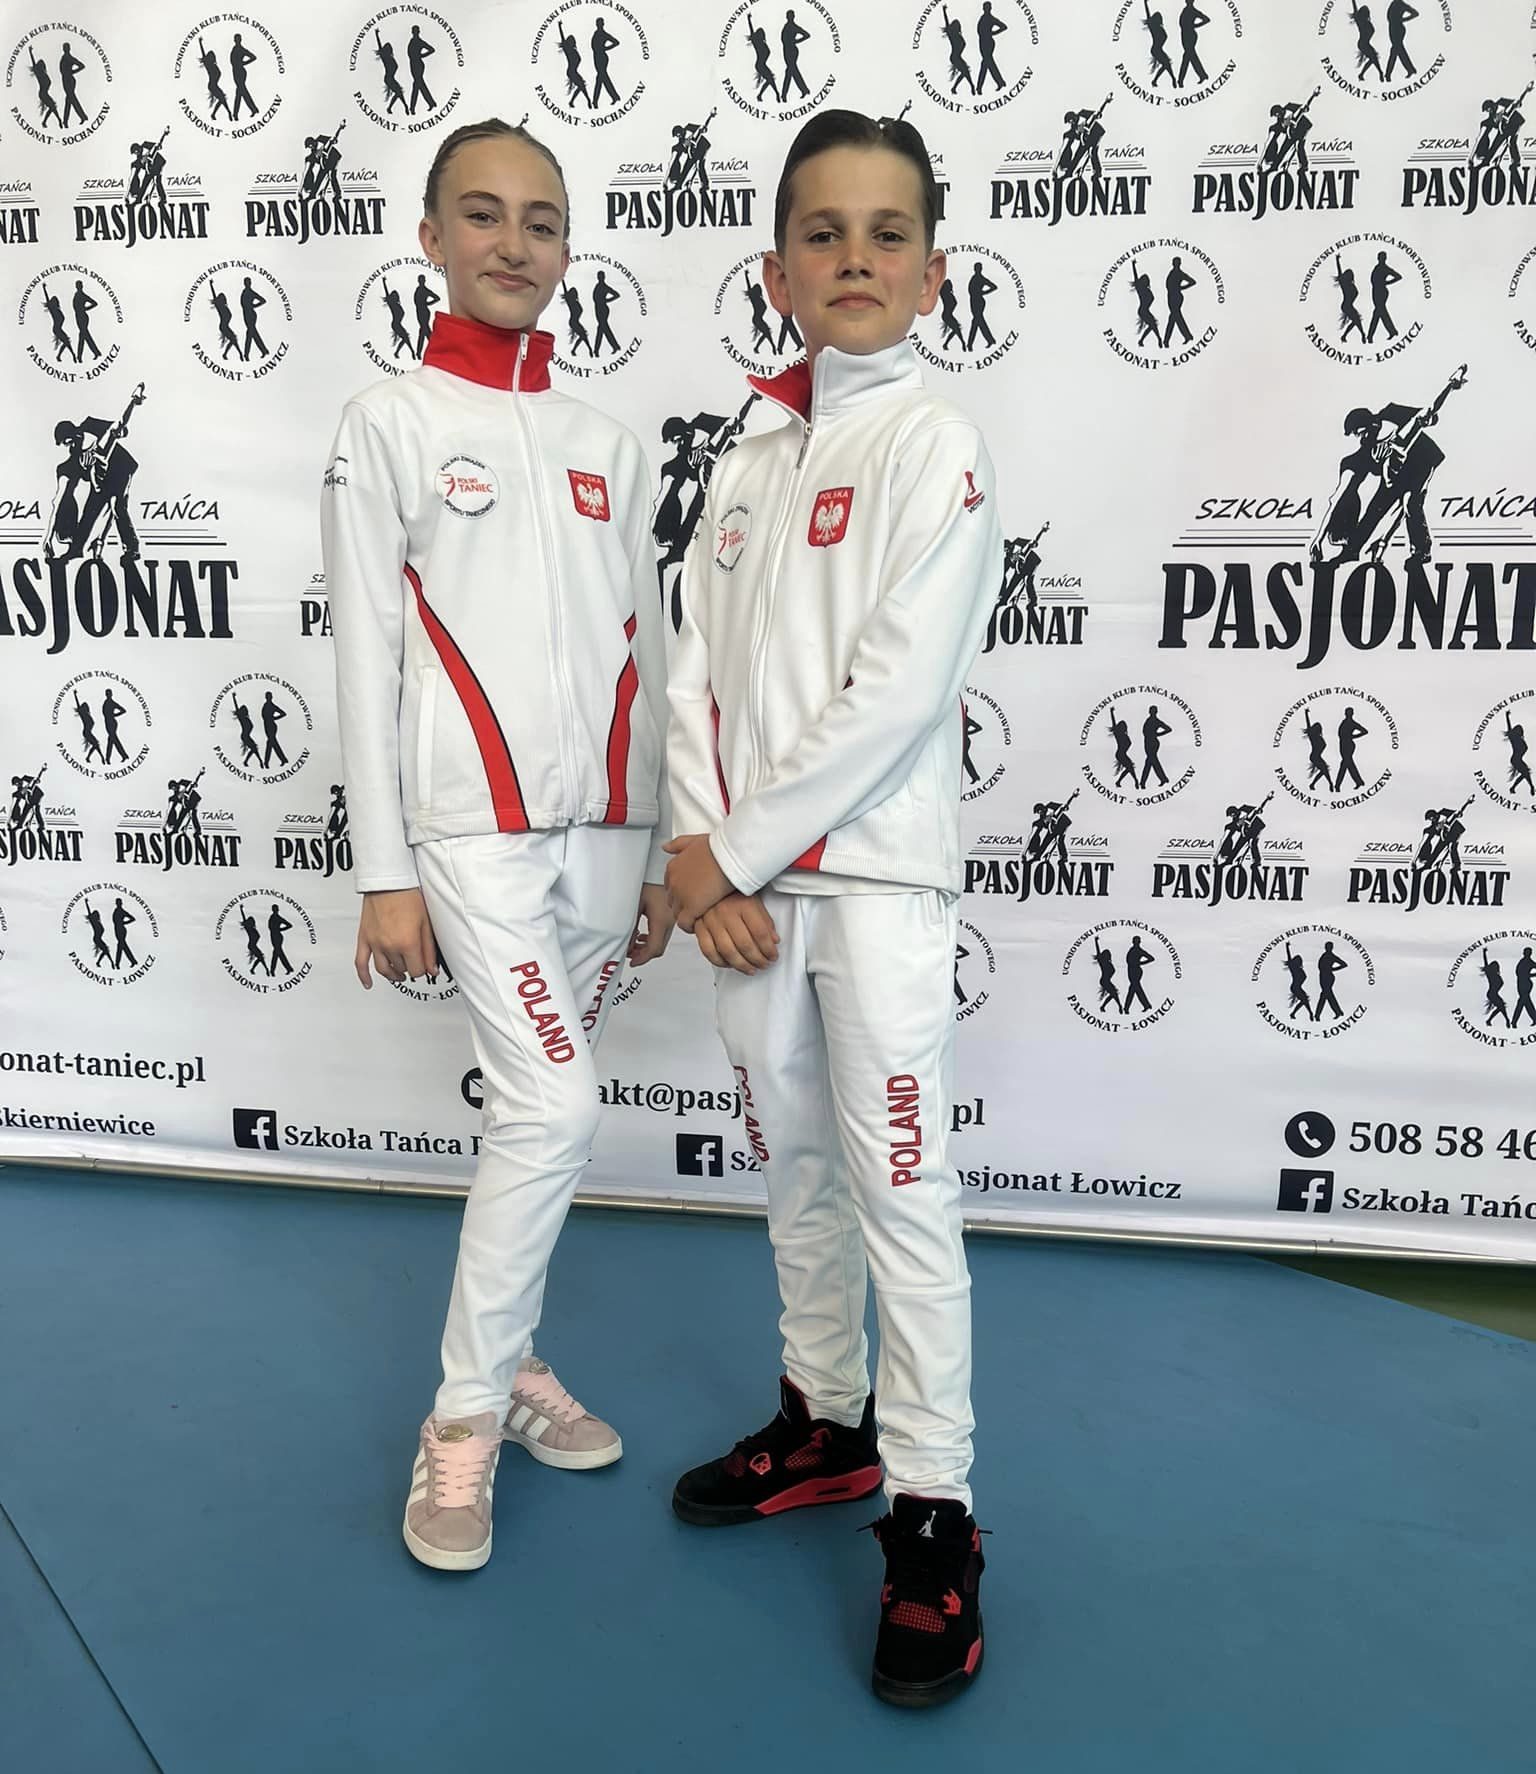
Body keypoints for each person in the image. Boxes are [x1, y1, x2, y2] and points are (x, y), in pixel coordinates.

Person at [663, 110, 1001, 1706]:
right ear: (778, 268)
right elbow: (691, 678)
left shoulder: (936, 445)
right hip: (748, 901)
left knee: (901, 1194)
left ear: (931, 272)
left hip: (869, 888)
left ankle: (934, 1510)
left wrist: (731, 853)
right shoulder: (742, 463)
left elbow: (896, 696)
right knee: (795, 1173)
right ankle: (827, 1417)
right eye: (823, 231)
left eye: (886, 232)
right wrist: (699, 851)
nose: (854, 257)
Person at [320, 118, 674, 1577]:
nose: (513, 242)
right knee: (555, 1103)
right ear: (430, 238)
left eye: (540, 220)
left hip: (607, 837)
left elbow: (653, 650)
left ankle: (513, 1362)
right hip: (469, 833)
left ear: (569, 249)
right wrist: (383, 869)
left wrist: (661, 844)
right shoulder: (388, 421)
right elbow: (367, 651)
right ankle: (462, 1420)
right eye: (482, 214)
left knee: (535, 1123)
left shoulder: (611, 443)